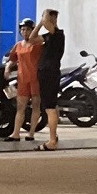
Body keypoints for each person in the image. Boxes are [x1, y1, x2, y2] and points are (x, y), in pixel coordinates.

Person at [31, 10, 64, 151]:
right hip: (45, 73)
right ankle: (53, 137)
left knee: (50, 108)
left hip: (50, 73)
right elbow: (32, 39)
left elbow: (46, 21)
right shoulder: (48, 36)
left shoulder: (58, 34)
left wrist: (45, 15)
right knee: (49, 107)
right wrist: (39, 24)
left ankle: (52, 141)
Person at [4, 18, 42, 141]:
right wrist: (7, 68)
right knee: (20, 107)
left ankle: (31, 133)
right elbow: (12, 59)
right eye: (23, 30)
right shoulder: (18, 45)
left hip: (36, 78)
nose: (25, 32)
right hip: (22, 78)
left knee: (36, 106)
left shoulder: (38, 44)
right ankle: (16, 133)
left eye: (28, 30)